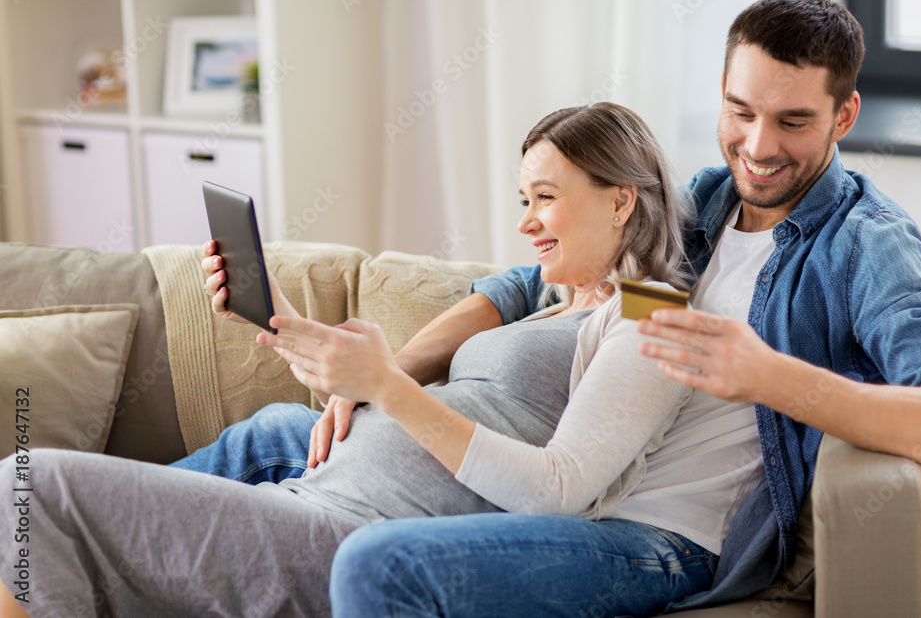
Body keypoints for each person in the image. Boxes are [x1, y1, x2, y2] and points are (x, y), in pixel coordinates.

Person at [327, 0, 921, 616]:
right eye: (741, 113)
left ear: (844, 115)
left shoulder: (865, 245)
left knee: (380, 563)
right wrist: (392, 371)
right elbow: (522, 286)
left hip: (668, 540)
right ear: (722, 95)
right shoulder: (704, 205)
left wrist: (772, 377)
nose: (759, 147)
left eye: (793, 121)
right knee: (279, 444)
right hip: (579, 497)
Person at [0, 103, 746, 618]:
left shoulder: (654, 314)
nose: (524, 221)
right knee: (36, 524)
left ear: (621, 202)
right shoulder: (557, 300)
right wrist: (287, 325)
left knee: (27, 489)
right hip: (310, 498)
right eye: (523, 197)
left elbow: (558, 488)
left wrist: (387, 384)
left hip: (347, 534)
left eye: (544, 197)